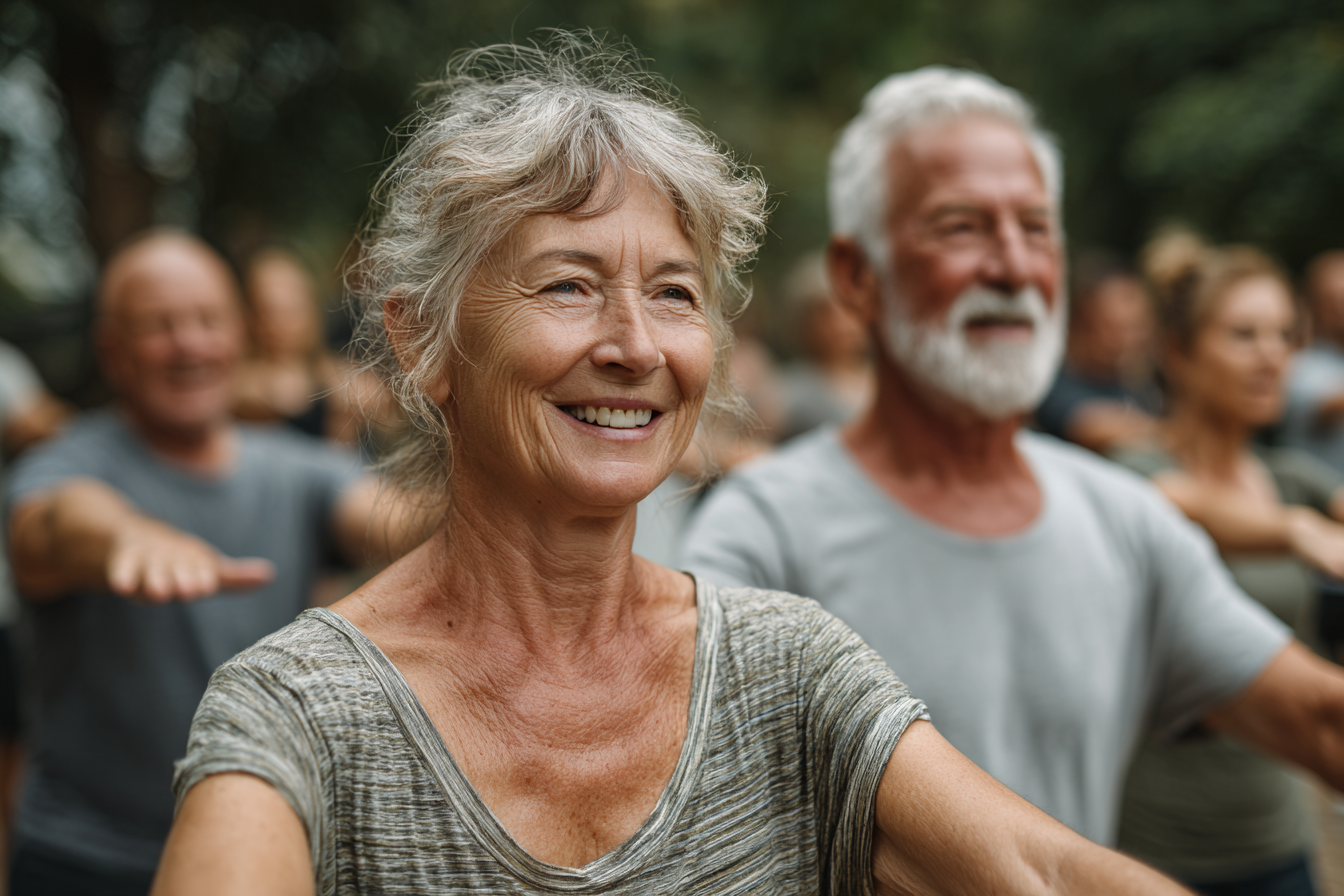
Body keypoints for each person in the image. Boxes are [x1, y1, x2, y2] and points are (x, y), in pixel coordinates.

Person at [153, 39, 1189, 896]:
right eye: (568, 285)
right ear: (422, 339)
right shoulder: (300, 713)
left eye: (675, 293)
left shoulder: (784, 670)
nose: (636, 345)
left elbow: (1041, 869)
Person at [680, 65, 1344, 879]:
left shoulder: (1122, 519)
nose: (1012, 266)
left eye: (1035, 228)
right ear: (858, 276)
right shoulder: (762, 531)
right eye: (961, 227)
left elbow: (1319, 719)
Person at [5, 231, 425, 895]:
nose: (189, 344)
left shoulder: (301, 471)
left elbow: (395, 519)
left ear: (240, 334)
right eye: (160, 325)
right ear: (112, 349)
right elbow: (55, 524)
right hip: (84, 861)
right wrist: (125, 538)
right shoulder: (70, 460)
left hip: (255, 856)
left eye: (208, 320)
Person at [1106, 231, 1344, 894]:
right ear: (1178, 352)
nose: (1271, 355)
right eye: (1244, 335)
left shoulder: (1293, 477)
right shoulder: (1130, 474)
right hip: (1155, 852)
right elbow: (1168, 499)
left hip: (1279, 841)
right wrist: (1292, 530)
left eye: (1284, 335)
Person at [231, 247, 364, 445]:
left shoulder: (333, 372)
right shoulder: (236, 381)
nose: (279, 322)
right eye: (267, 310)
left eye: (290, 309)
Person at [1034, 253, 1160, 452]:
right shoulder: (1052, 380)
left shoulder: (1140, 385)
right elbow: (1087, 426)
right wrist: (1174, 434)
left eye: (1136, 327)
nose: (1129, 340)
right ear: (1082, 323)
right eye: (1115, 328)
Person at [776, 253, 874, 441]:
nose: (841, 324)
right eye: (826, 313)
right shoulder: (788, 390)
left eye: (849, 309)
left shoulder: (891, 380)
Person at [1283, 250, 1344, 471]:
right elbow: (1326, 408)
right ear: (1312, 305)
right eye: (1332, 299)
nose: (1340, 308)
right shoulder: (1297, 364)